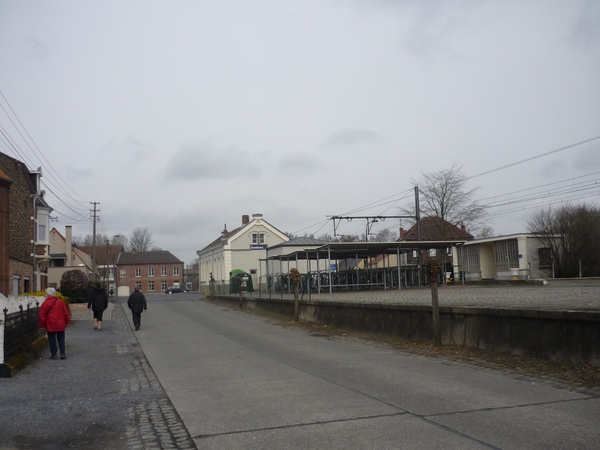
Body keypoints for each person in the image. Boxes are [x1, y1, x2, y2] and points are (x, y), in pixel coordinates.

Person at [38, 287, 71, 360]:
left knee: (52, 339)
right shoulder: (60, 302)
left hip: (50, 324)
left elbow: (42, 316)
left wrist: (41, 324)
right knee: (61, 339)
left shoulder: (45, 303)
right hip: (60, 323)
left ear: (48, 294)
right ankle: (62, 353)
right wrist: (67, 321)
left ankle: (54, 354)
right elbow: (65, 313)